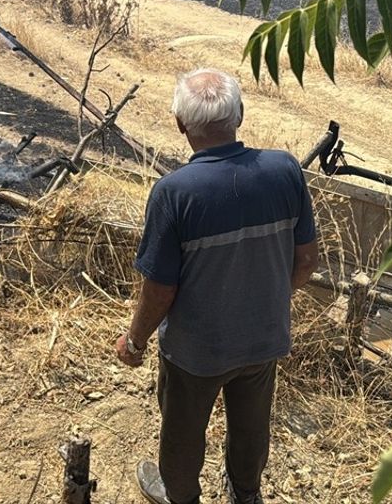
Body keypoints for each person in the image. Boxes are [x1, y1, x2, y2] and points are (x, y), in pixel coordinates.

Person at [115, 69, 319, 504]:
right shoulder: (285, 170)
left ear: (180, 125)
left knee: (182, 439)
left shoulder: (174, 193)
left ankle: (181, 495)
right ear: (239, 115)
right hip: (264, 341)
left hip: (195, 353)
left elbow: (159, 292)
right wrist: (263, 302)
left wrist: (134, 342)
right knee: (251, 429)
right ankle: (246, 495)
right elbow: (305, 263)